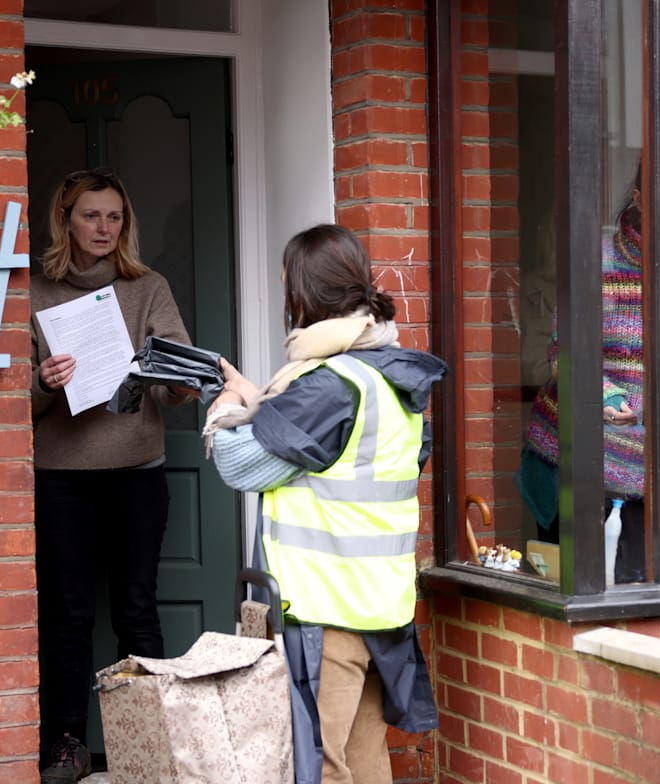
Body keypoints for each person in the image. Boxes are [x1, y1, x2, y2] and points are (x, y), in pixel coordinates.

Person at [204, 224, 444, 784]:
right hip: (379, 606)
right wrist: (262, 399)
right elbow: (331, 458)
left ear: (303, 294)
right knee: (363, 758)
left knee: (320, 765)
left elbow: (241, 464)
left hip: (326, 610)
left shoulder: (329, 385)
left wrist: (227, 407)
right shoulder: (390, 376)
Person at [30, 168, 196, 784]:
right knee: (67, 615)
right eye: (91, 216)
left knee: (136, 610)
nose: (104, 228)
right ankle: (67, 744)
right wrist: (43, 383)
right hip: (62, 478)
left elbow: (182, 386)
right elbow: (10, 403)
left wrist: (164, 373)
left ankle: (145, 743)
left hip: (136, 472)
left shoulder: (148, 287)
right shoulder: (35, 292)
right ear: (65, 221)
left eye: (115, 217)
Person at [516, 172, 660, 583]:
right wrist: (605, 396)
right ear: (638, 196)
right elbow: (563, 350)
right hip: (583, 459)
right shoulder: (598, 259)